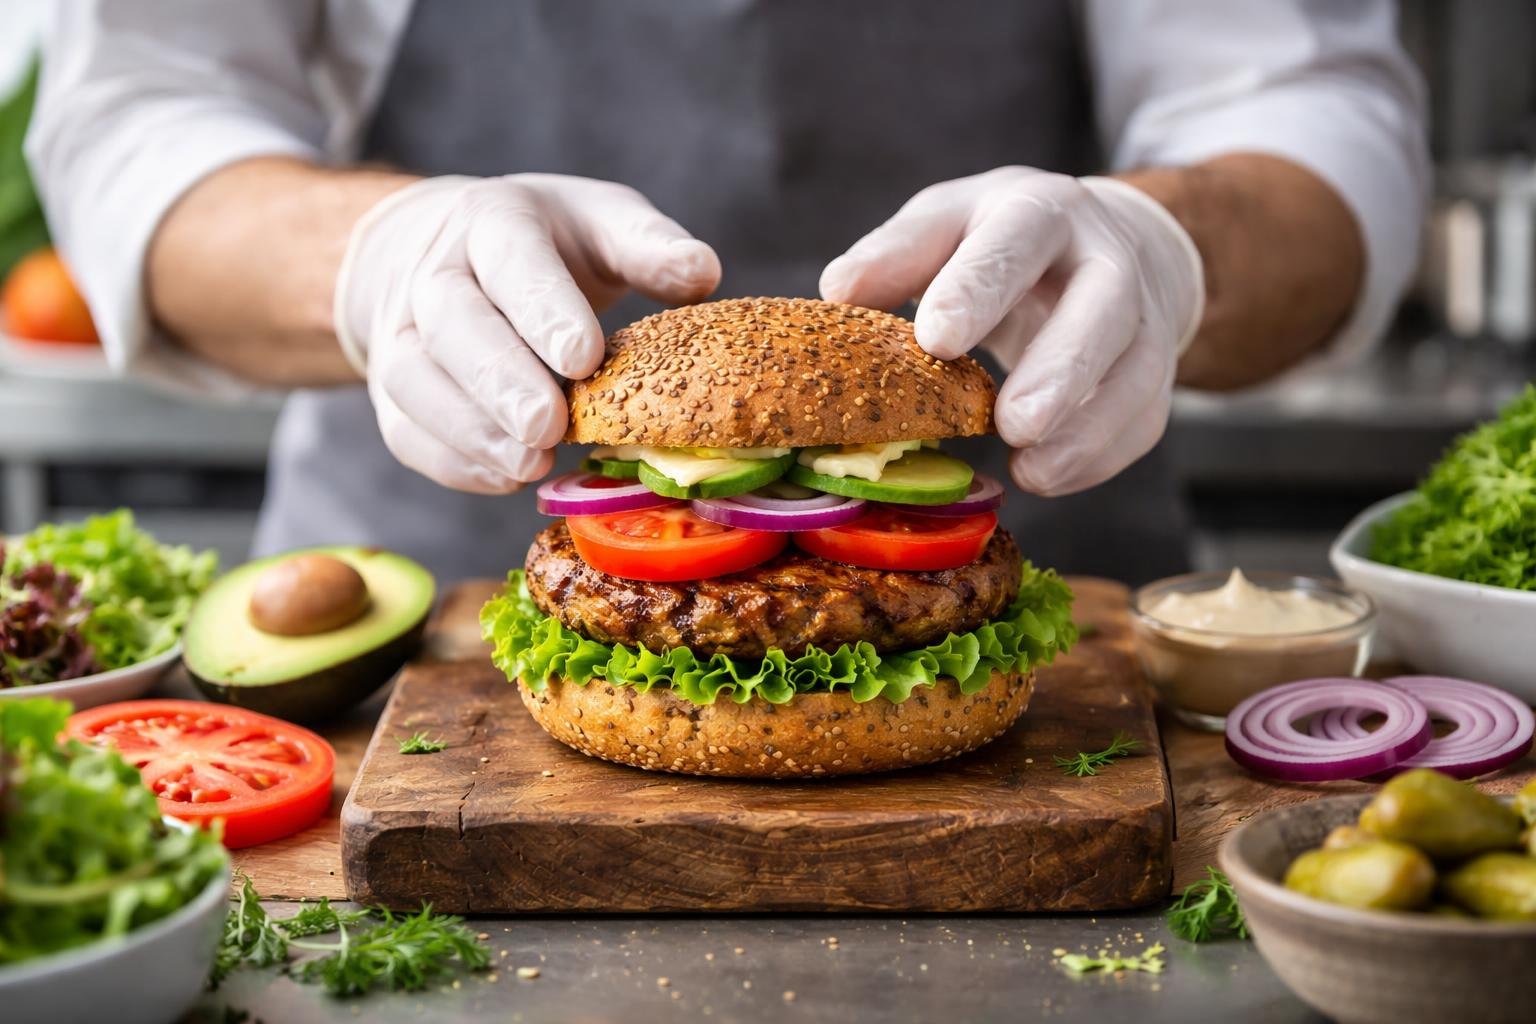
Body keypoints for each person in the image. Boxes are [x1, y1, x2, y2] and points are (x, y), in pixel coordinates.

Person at [26, 1, 1427, 583]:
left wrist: (1165, 248)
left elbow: (1313, 113)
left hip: (1063, 647)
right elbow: (140, 120)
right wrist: (380, 259)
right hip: (419, 630)